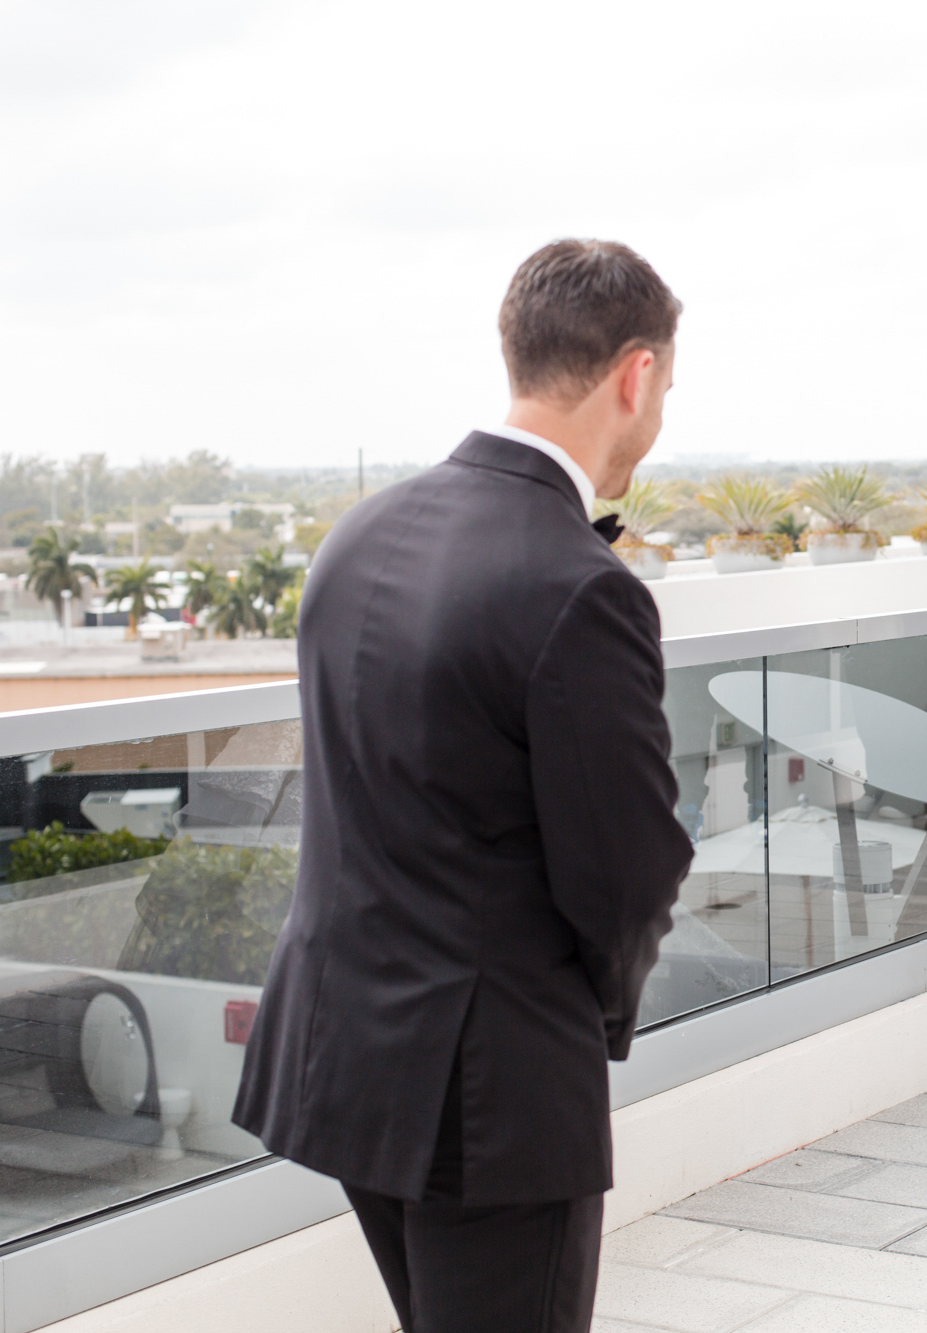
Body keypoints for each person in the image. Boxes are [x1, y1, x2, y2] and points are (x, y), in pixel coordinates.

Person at [233, 239, 694, 1332]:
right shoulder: (580, 585)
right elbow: (628, 872)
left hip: (345, 1059)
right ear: (635, 375)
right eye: (668, 387)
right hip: (489, 1092)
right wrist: (589, 1018)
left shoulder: (358, 534)